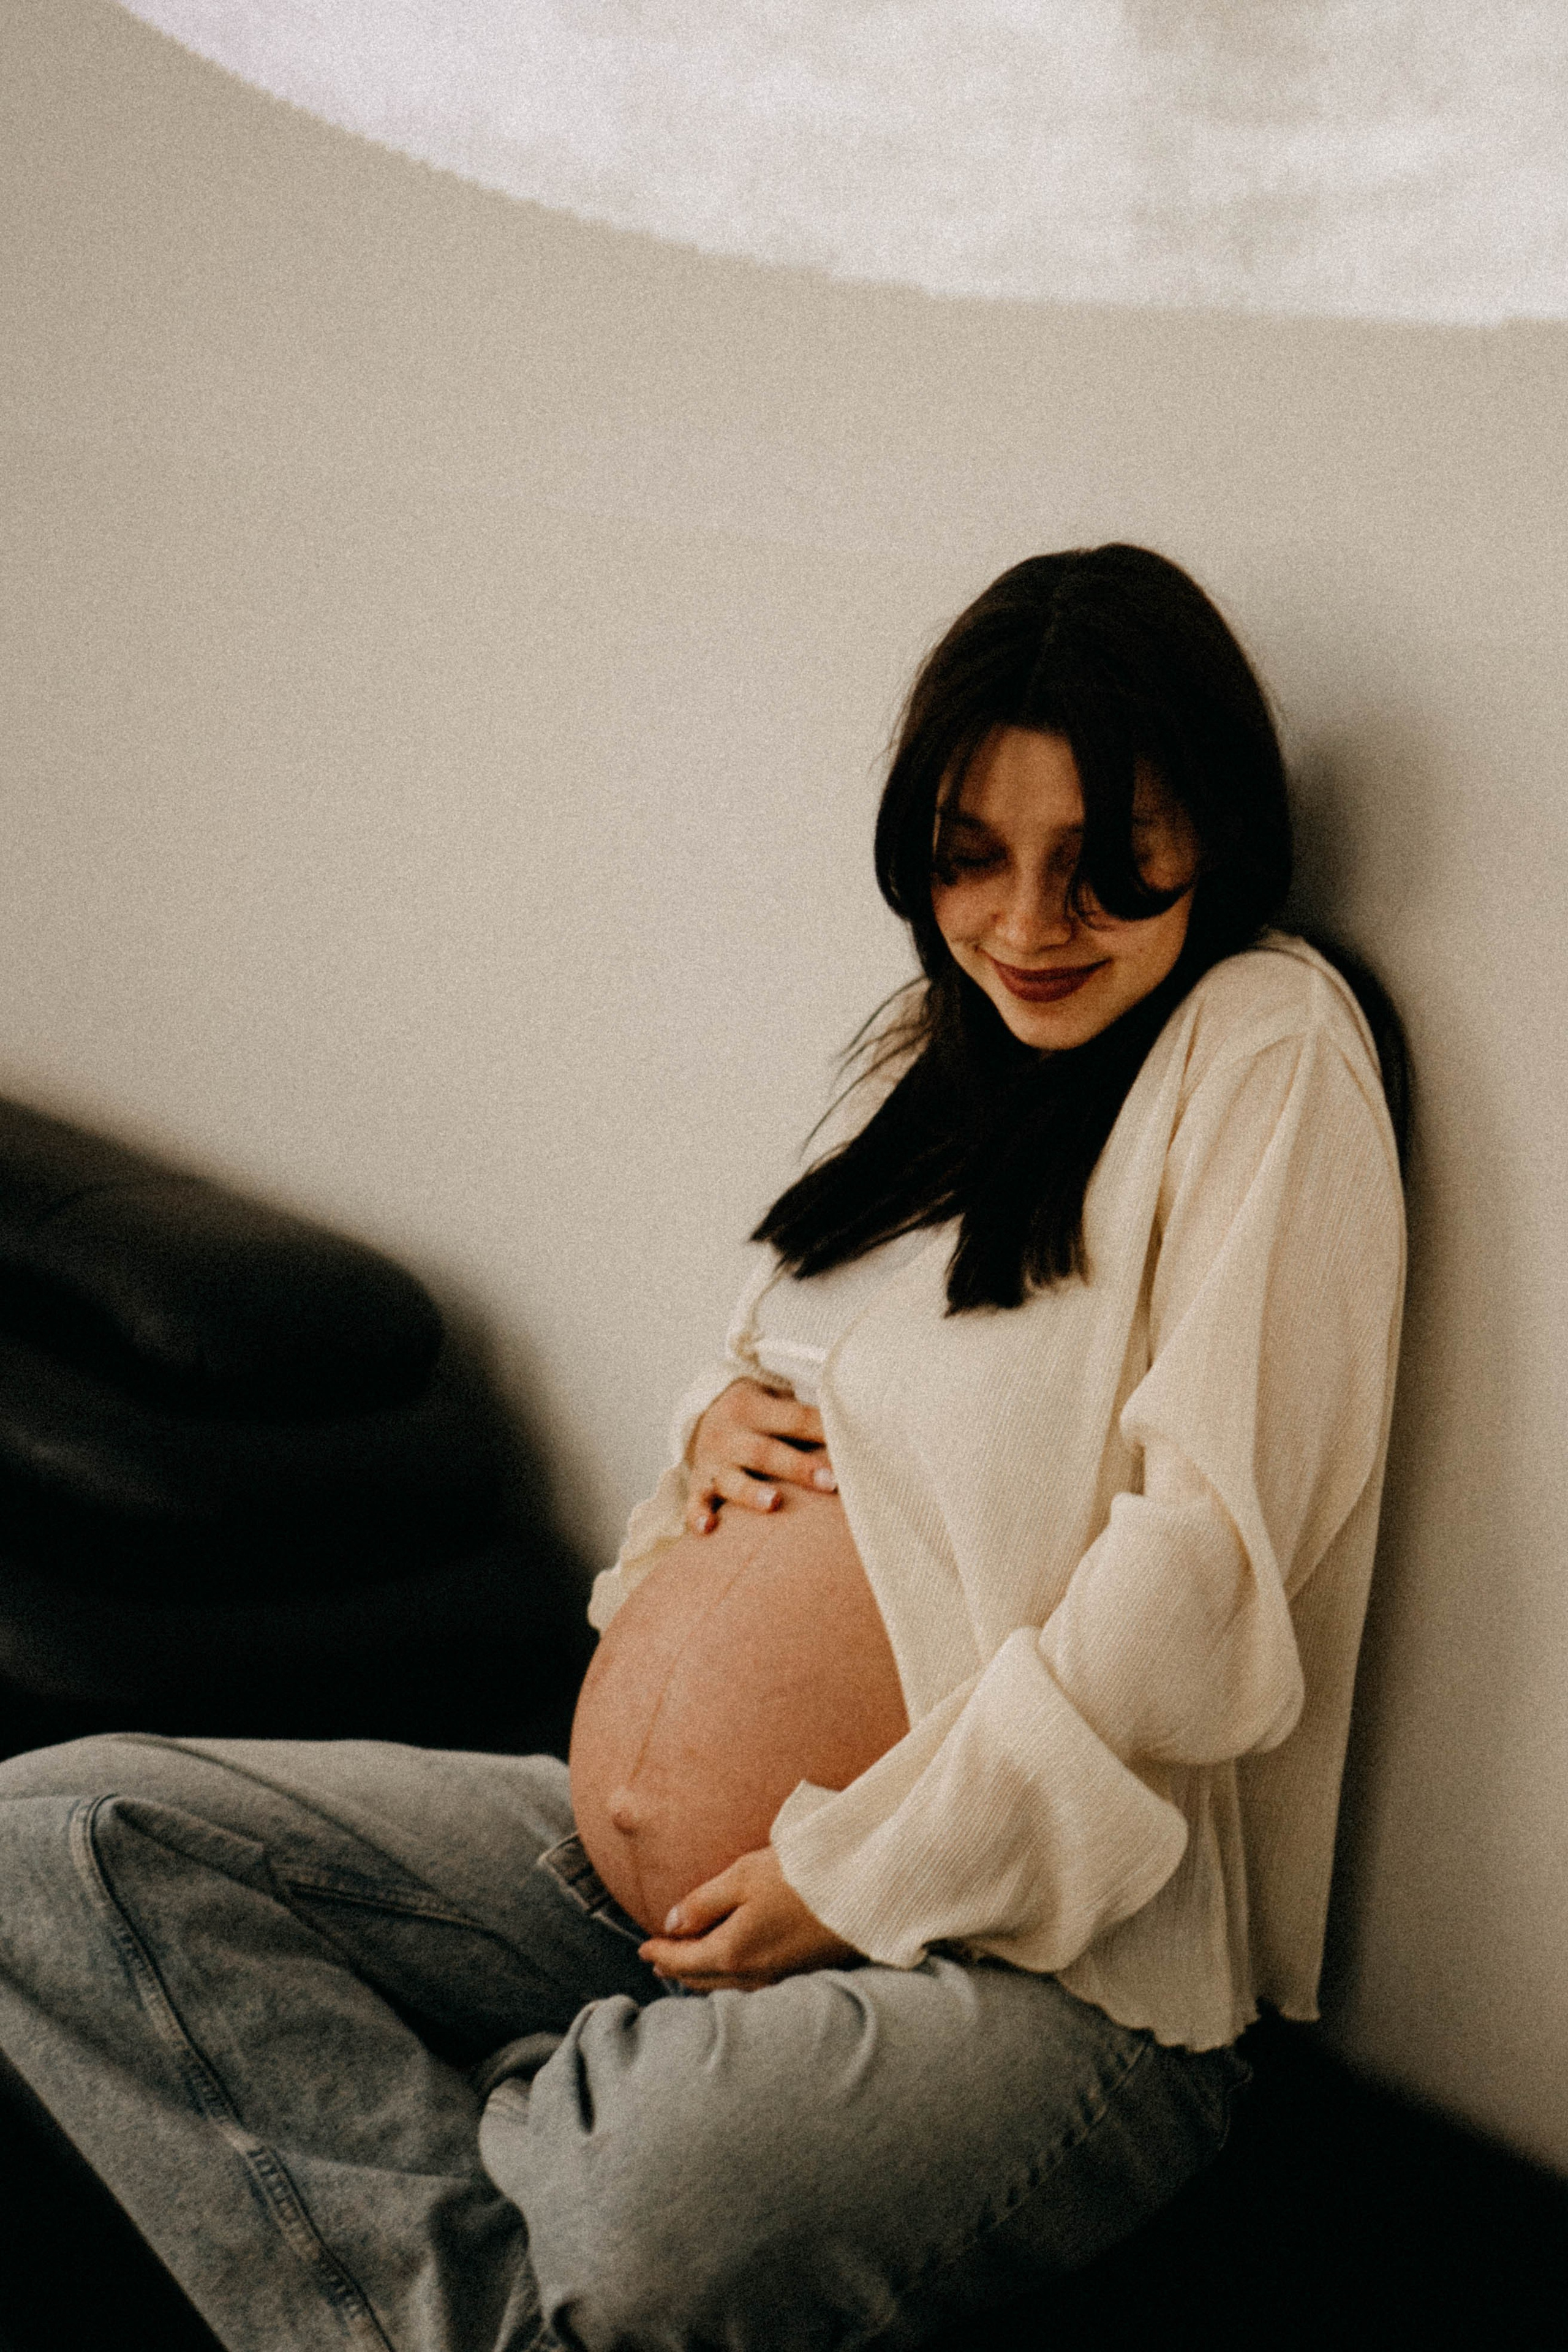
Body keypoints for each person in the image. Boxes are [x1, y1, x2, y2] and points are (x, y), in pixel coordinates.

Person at [0, 543, 1406, 2352]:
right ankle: (534, 2175)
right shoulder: (932, 1062)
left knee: (643, 2218)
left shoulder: (1263, 1041)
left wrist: (854, 1873)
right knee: (55, 1838)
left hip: (1038, 1960)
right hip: (658, 1897)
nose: (1027, 921)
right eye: (972, 854)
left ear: (1218, 827)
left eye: (1103, 856)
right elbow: (813, 1405)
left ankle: (544, 2151)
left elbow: (1201, 1582)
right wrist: (706, 1437)